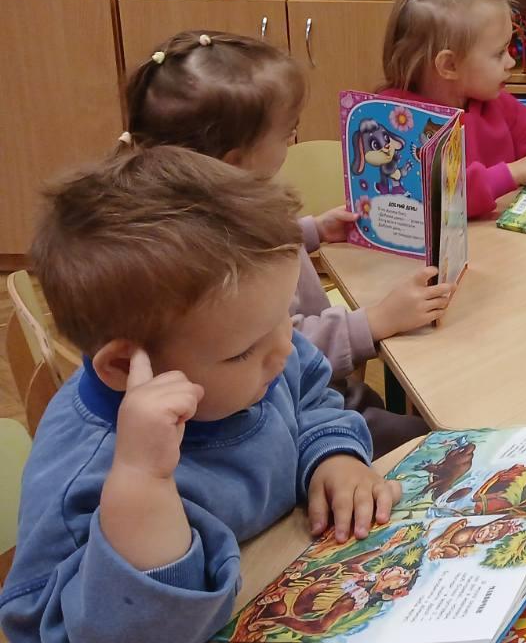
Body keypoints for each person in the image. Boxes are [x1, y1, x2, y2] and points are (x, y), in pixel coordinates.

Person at [0, 146, 400, 643]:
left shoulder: (257, 352)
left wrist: (333, 453)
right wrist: (143, 481)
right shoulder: (87, 473)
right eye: (244, 351)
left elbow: (308, 392)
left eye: (283, 319)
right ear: (126, 367)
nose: (284, 350)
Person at [120, 29, 438, 453]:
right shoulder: (220, 256)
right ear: (234, 163)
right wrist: (376, 321)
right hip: (291, 405)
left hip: (309, 389)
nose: (292, 139)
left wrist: (311, 231)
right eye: (287, 131)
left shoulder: (210, 208)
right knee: (421, 438)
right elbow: (278, 348)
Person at [379, 0, 526, 219]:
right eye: (499, 53)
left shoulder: (497, 102)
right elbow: (434, 199)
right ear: (449, 65)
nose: (511, 62)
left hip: (497, 236)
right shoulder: (395, 121)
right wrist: (512, 173)